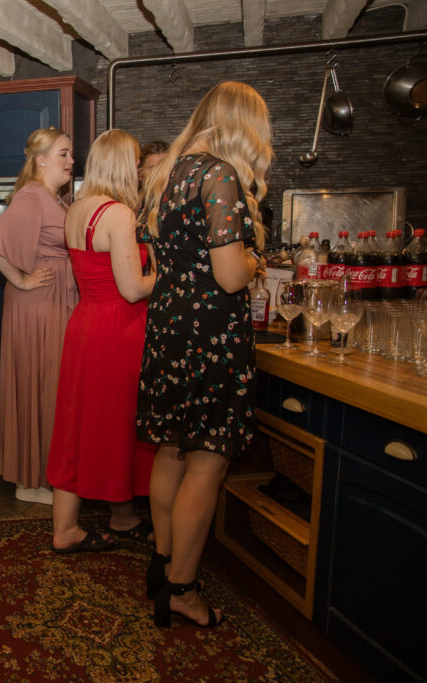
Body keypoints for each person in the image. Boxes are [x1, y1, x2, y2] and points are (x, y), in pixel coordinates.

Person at [135, 82, 271, 628]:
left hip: (170, 327)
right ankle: (183, 590)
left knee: (172, 449)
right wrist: (256, 261)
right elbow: (230, 275)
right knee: (207, 462)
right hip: (209, 333)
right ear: (243, 125)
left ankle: (164, 562)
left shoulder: (169, 173)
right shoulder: (219, 174)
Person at [47, 130, 156, 553]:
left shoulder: (76, 208)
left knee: (78, 424)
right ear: (123, 166)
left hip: (85, 323)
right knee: (117, 424)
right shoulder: (119, 214)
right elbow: (131, 288)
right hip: (117, 328)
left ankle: (107, 519)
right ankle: (90, 525)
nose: (139, 171)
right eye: (136, 163)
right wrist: (166, 275)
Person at [0, 127, 78, 504]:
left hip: (52, 300)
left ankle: (44, 475)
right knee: (39, 386)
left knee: (50, 387)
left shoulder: (54, 198)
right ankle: (31, 482)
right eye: (64, 154)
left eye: (70, 154)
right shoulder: (33, 196)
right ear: (41, 160)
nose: (71, 161)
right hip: (38, 304)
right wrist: (20, 279)